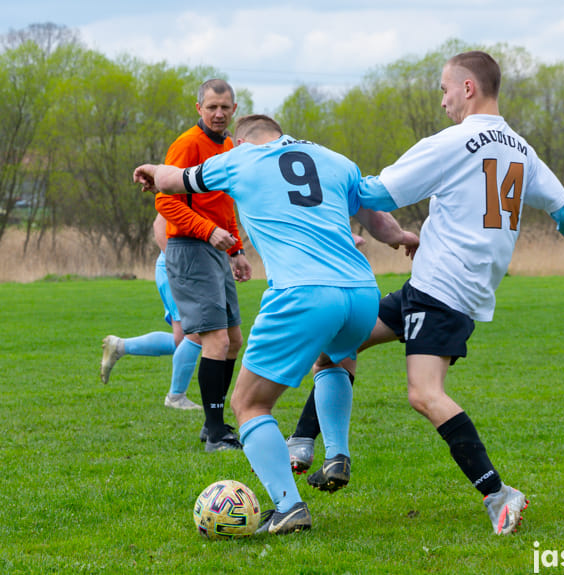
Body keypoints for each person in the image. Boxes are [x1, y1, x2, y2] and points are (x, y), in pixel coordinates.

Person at [316, 50, 564, 536]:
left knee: (425, 394)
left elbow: (379, 193)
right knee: (336, 345)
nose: (443, 100)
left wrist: (324, 182)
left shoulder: (454, 141)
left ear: (468, 88)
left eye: (445, 89)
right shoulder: (520, 148)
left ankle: (497, 493)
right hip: (435, 286)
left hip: (443, 290)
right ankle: (320, 451)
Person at [134, 114, 417, 535]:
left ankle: (289, 507)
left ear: (243, 140)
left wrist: (152, 173)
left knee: (248, 405)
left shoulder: (240, 160)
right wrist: (405, 239)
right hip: (361, 290)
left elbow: (176, 181)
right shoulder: (336, 160)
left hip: (303, 292)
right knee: (333, 361)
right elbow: (378, 221)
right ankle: (337, 454)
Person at [154, 79, 252, 452]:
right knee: (215, 339)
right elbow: (166, 202)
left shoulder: (228, 146)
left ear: (234, 108)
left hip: (215, 249)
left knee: (233, 341)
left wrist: (236, 249)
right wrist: (207, 232)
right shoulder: (186, 144)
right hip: (189, 248)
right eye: (211, 107)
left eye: (225, 107)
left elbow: (224, 204)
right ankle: (214, 432)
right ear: (199, 108)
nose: (218, 113)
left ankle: (215, 423)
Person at [99, 213, 203, 410]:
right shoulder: (181, 187)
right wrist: (178, 266)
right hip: (175, 271)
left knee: (185, 339)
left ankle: (119, 346)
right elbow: (159, 224)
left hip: (182, 269)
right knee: (192, 336)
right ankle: (176, 397)